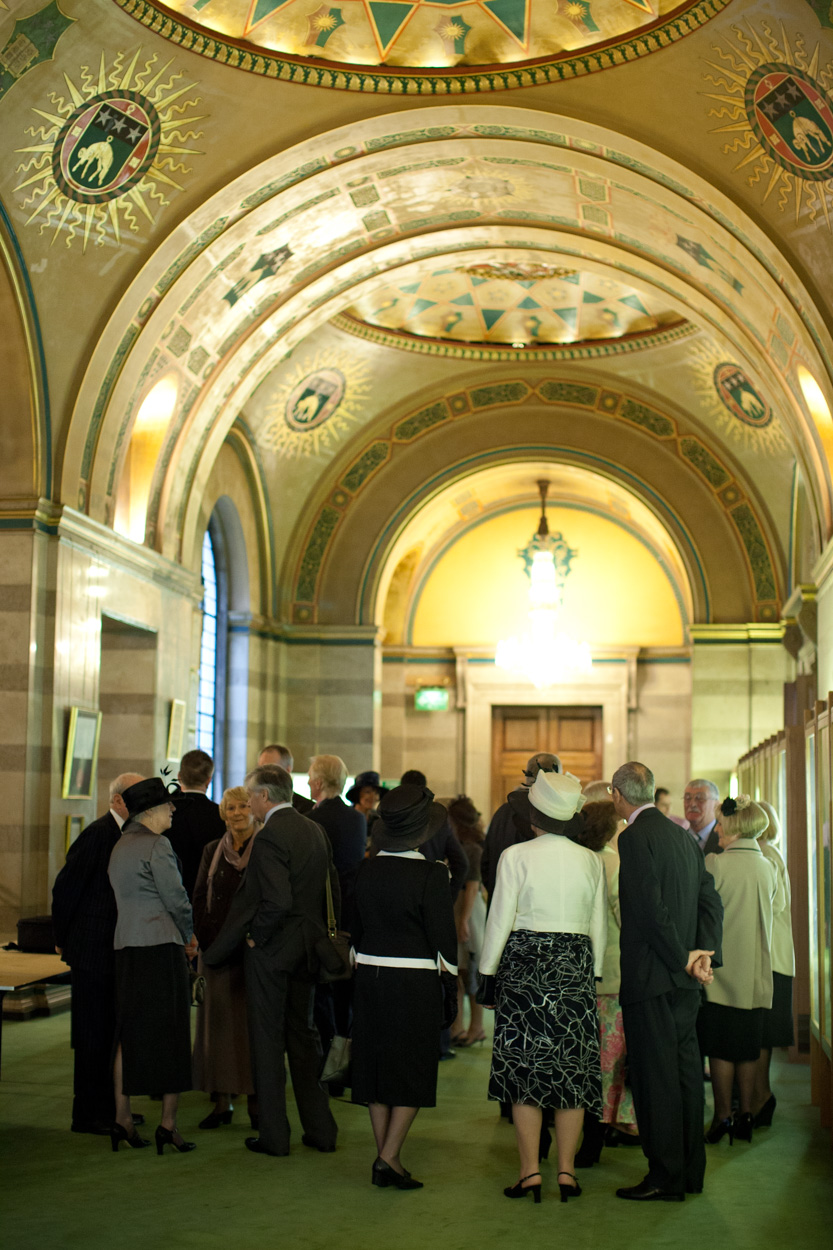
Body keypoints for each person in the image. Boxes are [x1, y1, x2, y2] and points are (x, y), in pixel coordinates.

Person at [480, 771, 606, 1205]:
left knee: (524, 1074)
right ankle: (567, 1173)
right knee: (571, 1071)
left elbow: (500, 919)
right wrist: (596, 971)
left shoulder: (515, 855)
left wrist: (487, 971)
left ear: (535, 816)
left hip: (525, 965)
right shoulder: (590, 859)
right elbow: (598, 926)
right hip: (574, 965)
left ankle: (530, 1172)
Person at [204, 765, 339, 1157]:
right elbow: (332, 891)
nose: (248, 803)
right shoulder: (314, 828)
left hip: (273, 954)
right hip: (309, 952)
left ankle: (274, 1137)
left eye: (251, 797)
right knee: (304, 1041)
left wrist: (253, 937)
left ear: (265, 796)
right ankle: (321, 1131)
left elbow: (276, 901)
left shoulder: (271, 837)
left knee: (266, 1044)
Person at [610, 761, 723, 1201]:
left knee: (657, 1082)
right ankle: (690, 1172)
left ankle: (664, 1178)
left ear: (619, 796)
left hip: (653, 978)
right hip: (685, 982)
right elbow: (709, 901)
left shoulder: (634, 837)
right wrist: (704, 957)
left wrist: (682, 960)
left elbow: (647, 911)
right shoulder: (682, 835)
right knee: (686, 1078)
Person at [351, 784, 458, 1190]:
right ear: (422, 832)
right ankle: (388, 1157)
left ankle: (387, 1158)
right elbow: (444, 942)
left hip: (368, 977)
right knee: (411, 1069)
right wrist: (451, 979)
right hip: (413, 981)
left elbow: (355, 932)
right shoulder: (433, 873)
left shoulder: (365, 869)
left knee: (376, 1069)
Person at [51, 771, 144, 1135]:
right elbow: (66, 888)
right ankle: (88, 1115)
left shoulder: (127, 834)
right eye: (137, 794)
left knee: (109, 1033)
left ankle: (111, 1108)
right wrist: (62, 938)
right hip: (92, 951)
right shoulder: (99, 833)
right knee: (92, 1035)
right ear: (119, 800)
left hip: (113, 949)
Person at [107, 777, 196, 1155]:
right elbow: (176, 900)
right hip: (161, 947)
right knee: (172, 1033)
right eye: (168, 806)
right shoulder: (158, 845)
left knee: (128, 1036)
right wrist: (191, 936)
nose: (173, 810)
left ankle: (122, 1119)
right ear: (152, 812)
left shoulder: (120, 846)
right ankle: (168, 1124)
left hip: (126, 947)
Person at [699, 796, 780, 1145]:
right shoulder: (768, 866)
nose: (716, 829)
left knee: (719, 1047)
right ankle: (747, 1113)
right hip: (756, 973)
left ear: (733, 827)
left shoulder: (716, 863)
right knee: (748, 1047)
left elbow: (701, 911)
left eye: (720, 824)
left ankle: (722, 1117)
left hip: (720, 970)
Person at [573, 800, 638, 1167]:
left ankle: (587, 1132)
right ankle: (602, 1131)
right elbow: (623, 916)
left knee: (585, 1060)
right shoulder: (614, 864)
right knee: (609, 1062)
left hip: (579, 976)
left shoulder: (579, 861)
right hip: (612, 975)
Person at [192, 786, 259, 1129]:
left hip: (252, 952)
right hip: (216, 951)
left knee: (250, 1031)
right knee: (216, 1031)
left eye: (243, 805)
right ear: (223, 813)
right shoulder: (211, 851)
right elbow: (200, 896)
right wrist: (207, 941)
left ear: (254, 808)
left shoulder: (264, 847)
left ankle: (256, 1106)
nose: (237, 813)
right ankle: (221, 1104)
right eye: (230, 807)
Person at [309, 754, 367, 1059]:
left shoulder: (313, 820)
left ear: (318, 782)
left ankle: (326, 1064)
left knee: (322, 994)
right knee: (346, 994)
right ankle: (342, 1064)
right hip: (351, 915)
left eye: (309, 776)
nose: (306, 781)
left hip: (321, 916)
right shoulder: (357, 818)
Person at [481, 753, 583, 903]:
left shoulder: (501, 813)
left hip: (500, 899)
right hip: (535, 908)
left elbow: (485, 863)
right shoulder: (555, 815)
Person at [752, 799, 795, 1127]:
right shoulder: (768, 852)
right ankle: (759, 1095)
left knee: (762, 1032)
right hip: (771, 956)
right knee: (760, 1033)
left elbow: (775, 904)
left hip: (771, 957)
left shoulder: (765, 854)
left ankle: (761, 1096)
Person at [444, 795, 488, 1047]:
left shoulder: (472, 848)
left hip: (468, 911)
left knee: (471, 971)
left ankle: (477, 1026)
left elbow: (472, 886)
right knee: (460, 971)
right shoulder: (462, 844)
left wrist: (463, 920)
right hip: (462, 909)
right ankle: (459, 1026)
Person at [166, 749, 225, 899]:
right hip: (207, 896)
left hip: (169, 894)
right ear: (208, 780)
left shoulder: (165, 811)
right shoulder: (221, 815)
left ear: (179, 777)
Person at [258, 744, 315, 814]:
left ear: (287, 770)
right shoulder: (252, 803)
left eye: (270, 769)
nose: (262, 773)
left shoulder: (307, 809)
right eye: (260, 768)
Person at [683, 778, 721, 855]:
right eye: (687, 798)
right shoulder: (678, 839)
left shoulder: (725, 839)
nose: (692, 804)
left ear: (716, 805)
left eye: (700, 798)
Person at [346, 769, 387, 840]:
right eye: (367, 792)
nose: (373, 797)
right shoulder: (346, 818)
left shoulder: (377, 821)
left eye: (376, 793)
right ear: (357, 794)